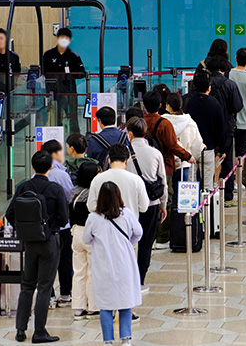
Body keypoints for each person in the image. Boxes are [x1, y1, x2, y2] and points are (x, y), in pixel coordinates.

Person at [7, 151, 69, 344]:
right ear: (50, 167)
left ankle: (20, 329)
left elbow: (10, 213)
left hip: (29, 242)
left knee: (27, 285)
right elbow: (64, 217)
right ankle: (40, 331)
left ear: (32, 166)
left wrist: (23, 228)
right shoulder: (55, 189)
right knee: (44, 287)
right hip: (50, 241)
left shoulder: (24, 186)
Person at [82, 182, 143, 346]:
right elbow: (138, 233)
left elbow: (86, 239)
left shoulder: (93, 218)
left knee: (105, 305)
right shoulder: (127, 214)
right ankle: (126, 338)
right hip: (125, 263)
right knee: (125, 302)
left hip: (103, 266)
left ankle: (108, 340)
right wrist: (127, 242)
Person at [157, 93, 205, 249]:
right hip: (185, 166)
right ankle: (183, 233)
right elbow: (198, 147)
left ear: (168, 106)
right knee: (183, 202)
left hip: (167, 166)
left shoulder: (163, 122)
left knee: (167, 199)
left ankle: (165, 234)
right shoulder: (190, 123)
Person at [125, 117, 168, 288]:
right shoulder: (155, 153)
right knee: (146, 243)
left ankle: (128, 279)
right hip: (151, 203)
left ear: (129, 134)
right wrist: (163, 206)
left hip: (128, 205)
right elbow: (162, 181)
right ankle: (140, 279)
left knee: (128, 242)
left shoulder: (123, 153)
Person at [39, 140, 74, 309]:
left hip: (43, 227)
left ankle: (50, 295)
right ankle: (65, 294)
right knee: (65, 261)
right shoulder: (61, 175)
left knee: (46, 262)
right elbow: (70, 196)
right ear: (54, 154)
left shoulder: (35, 177)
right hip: (63, 225)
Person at [206, 55, 244, 202]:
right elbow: (238, 106)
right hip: (226, 127)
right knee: (227, 159)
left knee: (207, 157)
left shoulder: (205, 82)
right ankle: (228, 193)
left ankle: (207, 189)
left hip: (207, 127)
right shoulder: (230, 84)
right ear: (223, 69)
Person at [183, 71, 227, 189]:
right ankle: (207, 206)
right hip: (208, 148)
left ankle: (192, 207)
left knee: (190, 184)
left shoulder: (186, 101)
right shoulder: (215, 104)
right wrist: (221, 149)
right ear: (209, 87)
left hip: (190, 148)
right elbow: (220, 129)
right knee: (208, 184)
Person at [69, 162, 100, 321]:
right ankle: (93, 307)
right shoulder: (93, 195)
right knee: (92, 272)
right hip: (91, 235)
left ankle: (78, 307)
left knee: (79, 272)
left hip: (76, 233)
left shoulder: (73, 191)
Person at [87, 144, 149, 219]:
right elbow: (144, 207)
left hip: (105, 226)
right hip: (128, 226)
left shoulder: (97, 179)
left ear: (109, 160)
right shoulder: (136, 180)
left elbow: (91, 207)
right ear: (126, 161)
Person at [43, 28, 86, 134]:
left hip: (70, 91)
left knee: (72, 116)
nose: (63, 40)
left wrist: (70, 76)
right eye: (62, 37)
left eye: (66, 38)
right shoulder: (48, 55)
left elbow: (82, 73)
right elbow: (42, 73)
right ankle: (55, 136)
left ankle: (75, 137)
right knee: (56, 117)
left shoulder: (73, 56)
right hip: (53, 92)